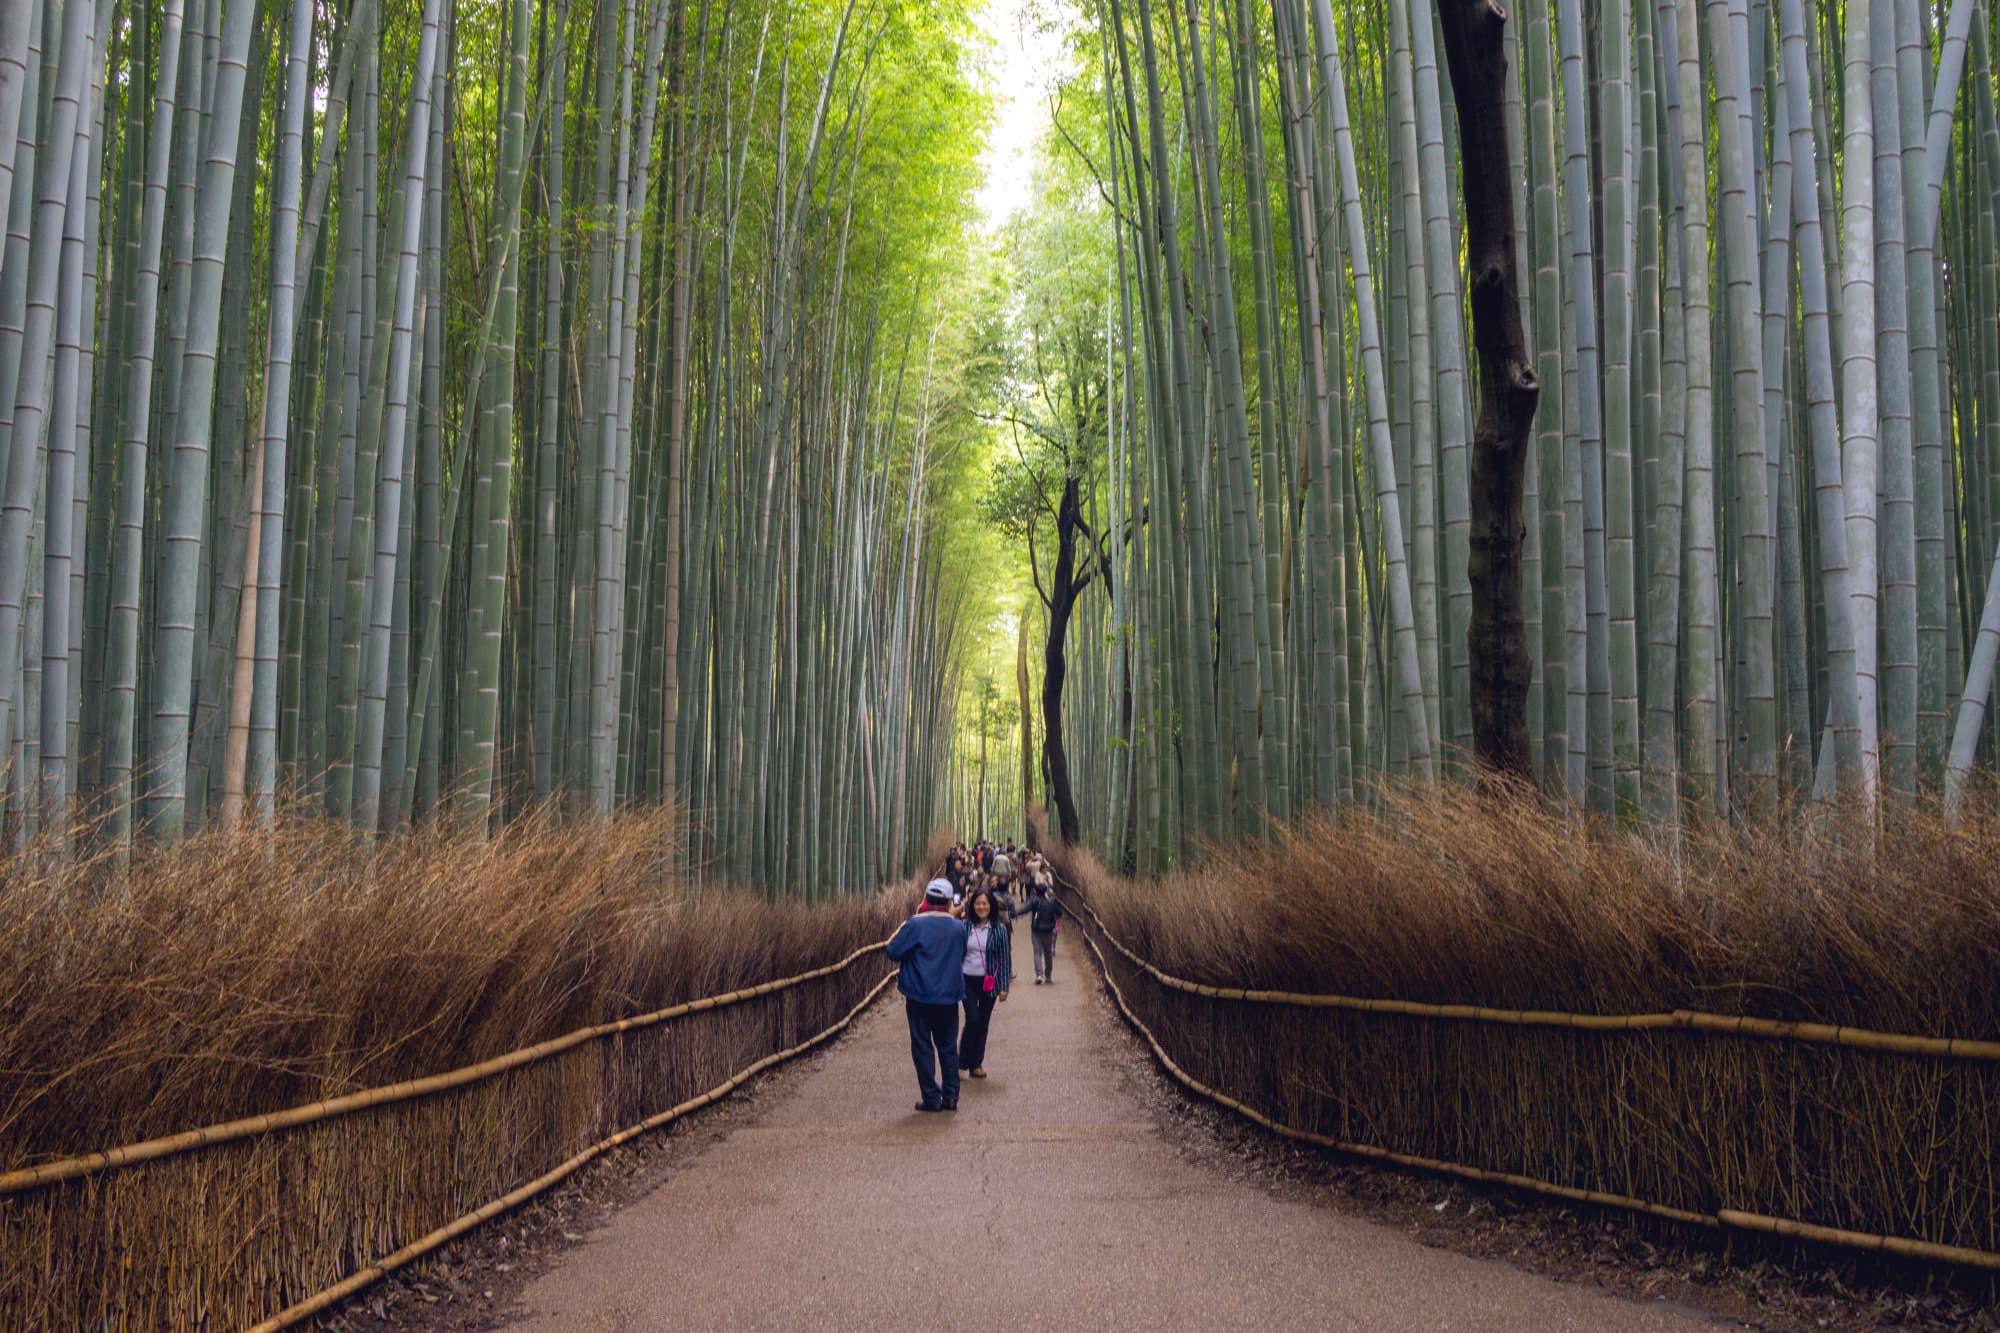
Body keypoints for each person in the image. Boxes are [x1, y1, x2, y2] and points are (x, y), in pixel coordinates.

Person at [887, 879, 967, 1112]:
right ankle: (951, 1096)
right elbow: (960, 954)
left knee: (922, 1046)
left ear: (927, 898)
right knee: (948, 1045)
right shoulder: (957, 927)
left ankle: (932, 1098)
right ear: (948, 900)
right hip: (949, 996)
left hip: (919, 995)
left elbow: (893, 951)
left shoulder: (915, 925)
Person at [957, 888, 1012, 1079]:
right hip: (967, 979)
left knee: (984, 1022)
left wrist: (1004, 986)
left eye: (985, 904)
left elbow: (1005, 958)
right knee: (972, 1019)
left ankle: (976, 1064)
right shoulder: (964, 926)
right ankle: (962, 1061)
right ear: (972, 906)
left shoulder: (1000, 929)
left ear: (991, 906)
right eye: (978, 903)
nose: (981, 907)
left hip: (989, 980)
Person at [1020, 881, 1061, 983]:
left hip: (1036, 931)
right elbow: (1059, 913)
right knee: (1048, 954)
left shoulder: (1034, 901)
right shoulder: (1051, 902)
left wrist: (1014, 913)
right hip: (1048, 931)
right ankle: (1048, 976)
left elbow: (1025, 910)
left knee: (1037, 953)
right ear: (1045, 891)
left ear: (1036, 891)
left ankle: (1039, 975)